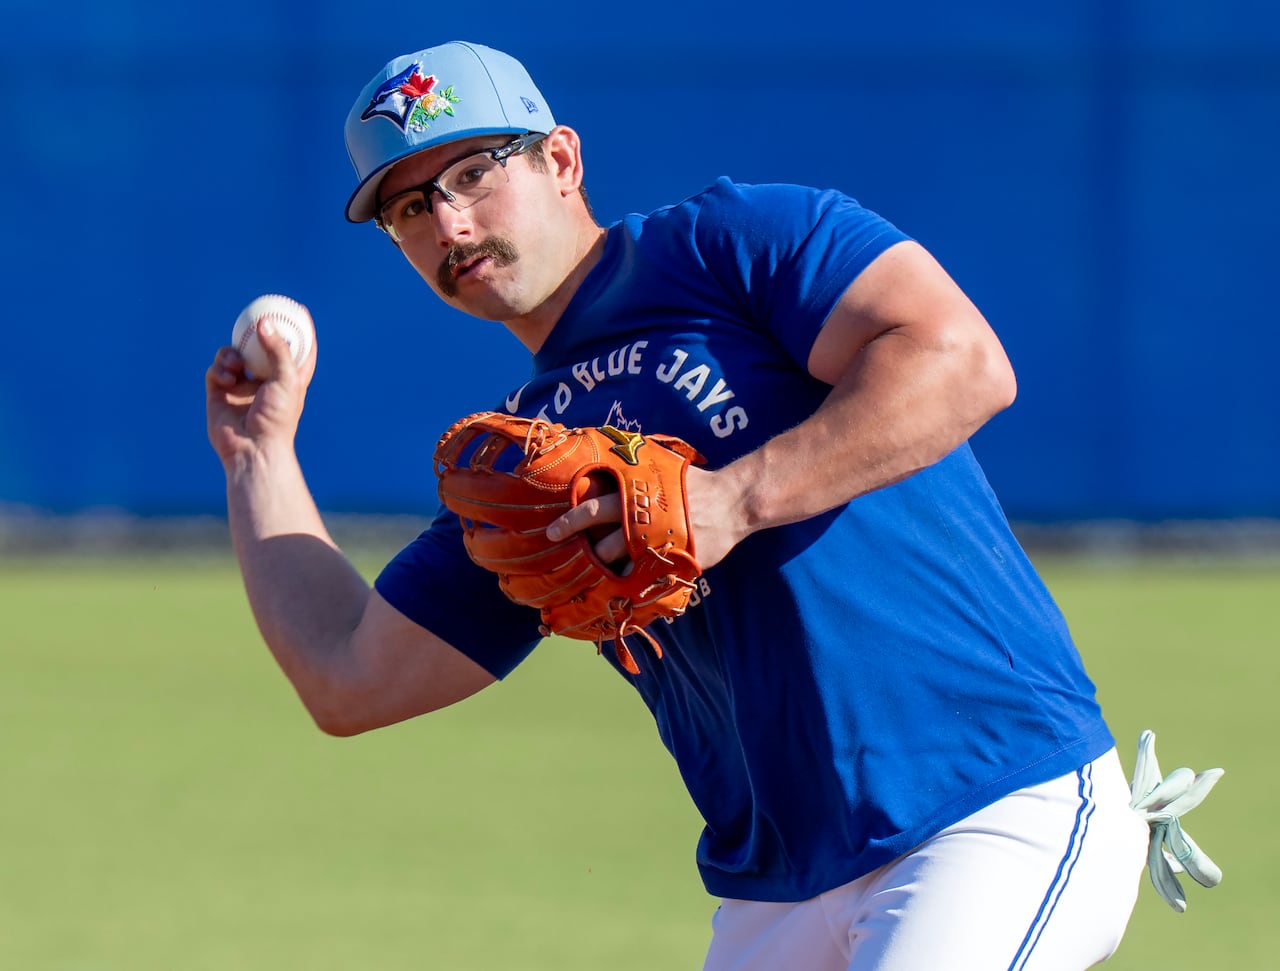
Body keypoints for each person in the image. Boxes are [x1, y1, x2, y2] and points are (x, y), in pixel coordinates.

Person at [206, 41, 1152, 970]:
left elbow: (962, 361)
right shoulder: (530, 474)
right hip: (777, 892)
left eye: (472, 174)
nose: (449, 226)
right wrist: (257, 453)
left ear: (562, 159)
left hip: (988, 807)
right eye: (410, 208)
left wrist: (727, 500)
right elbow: (349, 675)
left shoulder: (733, 244)